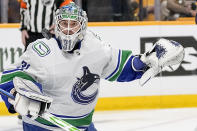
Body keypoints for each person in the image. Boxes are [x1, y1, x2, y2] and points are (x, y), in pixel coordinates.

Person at [0, 2, 184, 131]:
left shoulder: (95, 47)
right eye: (64, 24)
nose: (69, 29)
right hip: (41, 126)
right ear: (56, 26)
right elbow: (9, 77)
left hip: (81, 126)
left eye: (74, 24)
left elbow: (122, 67)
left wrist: (147, 61)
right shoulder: (41, 50)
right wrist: (18, 94)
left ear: (83, 26)